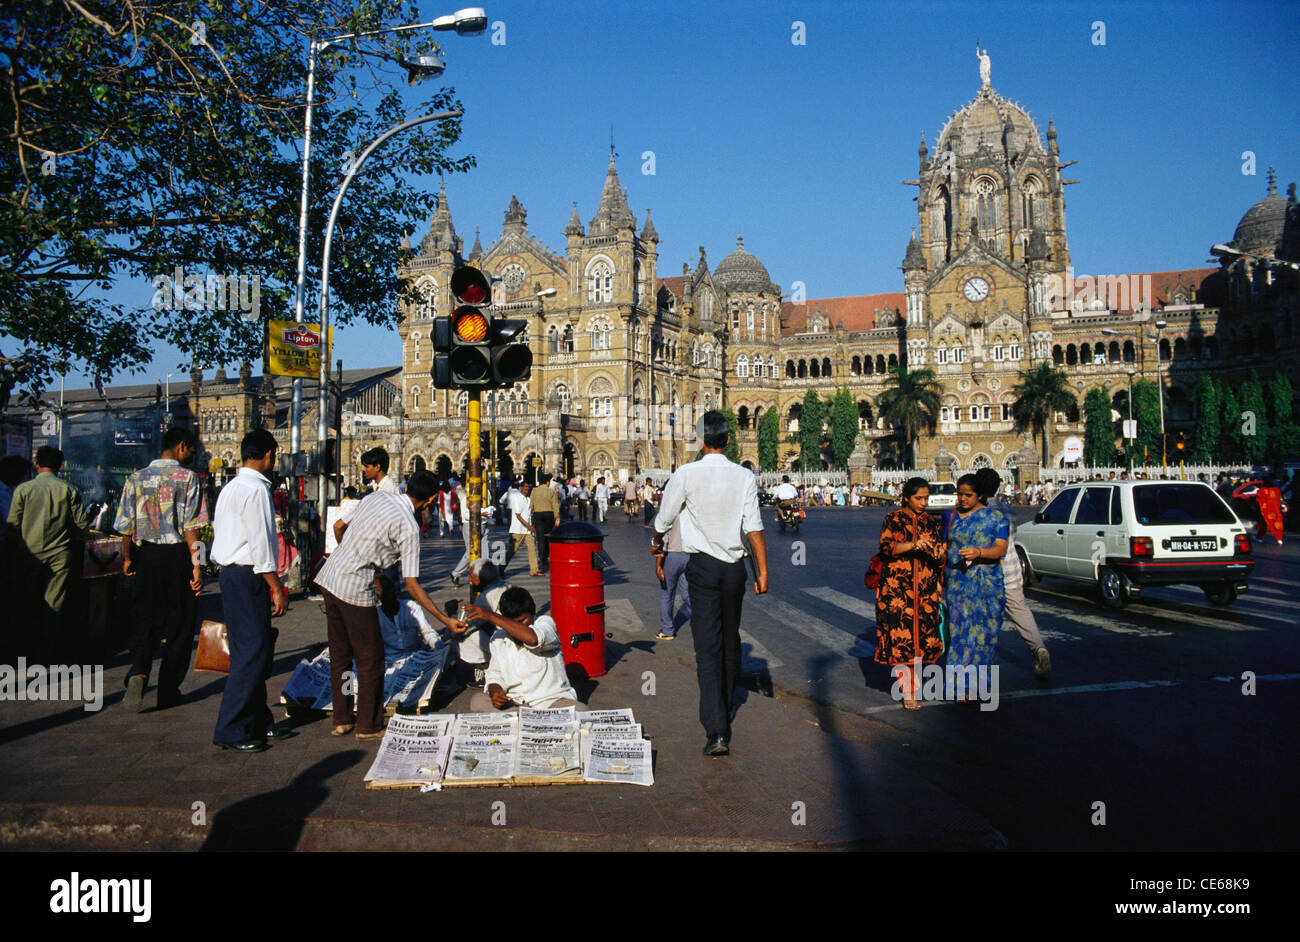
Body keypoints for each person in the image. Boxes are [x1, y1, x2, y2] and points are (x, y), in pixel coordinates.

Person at [652, 410, 767, 757]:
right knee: (731, 638)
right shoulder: (744, 476)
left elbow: (665, 516)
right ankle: (727, 704)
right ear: (728, 440)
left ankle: (717, 730)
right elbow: (754, 528)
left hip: (701, 568)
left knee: (707, 646)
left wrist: (657, 539)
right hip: (735, 569)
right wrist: (763, 571)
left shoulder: (685, 474)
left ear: (700, 440)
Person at [314, 469, 446, 739]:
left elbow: (338, 527)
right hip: (355, 587)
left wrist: (351, 555)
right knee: (370, 659)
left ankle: (341, 718)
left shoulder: (378, 497)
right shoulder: (409, 528)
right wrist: (444, 619)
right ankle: (368, 724)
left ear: (407, 485)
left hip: (329, 576)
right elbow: (412, 585)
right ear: (431, 499)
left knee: (340, 654)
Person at [114, 427, 207, 711]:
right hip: (178, 557)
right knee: (180, 625)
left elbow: (124, 527)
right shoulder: (189, 478)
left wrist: (128, 559)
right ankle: (168, 689)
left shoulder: (135, 477)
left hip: (146, 557)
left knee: (145, 619)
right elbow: (193, 528)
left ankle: (140, 671)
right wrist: (198, 566)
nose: (193, 455)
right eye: (192, 450)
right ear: (181, 446)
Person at [210, 429, 291, 752]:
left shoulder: (231, 487)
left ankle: (258, 721)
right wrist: (276, 588)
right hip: (248, 575)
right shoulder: (256, 491)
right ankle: (230, 728)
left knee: (252, 650)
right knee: (251, 653)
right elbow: (260, 544)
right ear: (269, 455)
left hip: (232, 575)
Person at [6, 445, 89, 660]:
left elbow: (12, 526)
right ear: (60, 466)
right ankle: (45, 653)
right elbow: (82, 526)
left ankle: (21, 650)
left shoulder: (23, 490)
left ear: (36, 464)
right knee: (54, 603)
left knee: (24, 600)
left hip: (27, 555)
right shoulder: (69, 490)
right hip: (59, 556)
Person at [874, 477, 946, 709]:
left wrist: (938, 551)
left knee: (923, 639)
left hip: (925, 589)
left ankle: (913, 684)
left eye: (926, 498)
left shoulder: (931, 522)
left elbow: (940, 558)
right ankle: (909, 692)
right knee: (901, 639)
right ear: (907, 497)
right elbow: (886, 548)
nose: (923, 502)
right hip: (897, 589)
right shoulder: (893, 519)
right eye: (918, 498)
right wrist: (914, 544)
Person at [974, 468, 1051, 678]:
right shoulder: (1007, 509)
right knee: (1020, 612)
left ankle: (982, 666)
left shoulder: (976, 512)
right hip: (1011, 571)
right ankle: (1038, 647)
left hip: (986, 575)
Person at [944, 473, 1008, 699]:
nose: (962, 499)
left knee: (984, 635)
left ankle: (980, 685)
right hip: (957, 583)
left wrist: (979, 552)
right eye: (959, 494)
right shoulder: (950, 516)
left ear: (980, 494)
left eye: (967, 495)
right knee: (960, 633)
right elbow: (943, 546)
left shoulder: (997, 518)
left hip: (987, 585)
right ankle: (960, 687)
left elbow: (1001, 549)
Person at [465, 586, 580, 711]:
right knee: (478, 701)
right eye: (511, 622)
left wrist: (490, 616)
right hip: (516, 703)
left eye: (522, 620)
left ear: (533, 612)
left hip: (551, 702)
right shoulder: (498, 638)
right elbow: (494, 675)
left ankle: (521, 722)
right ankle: (521, 720)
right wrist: (496, 692)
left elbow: (533, 639)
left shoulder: (545, 624)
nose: (516, 627)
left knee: (581, 711)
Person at [449, 558, 511, 687]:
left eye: (471, 576)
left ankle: (484, 667)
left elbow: (465, 628)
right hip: (510, 640)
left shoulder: (486, 597)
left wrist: (451, 615)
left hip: (503, 645)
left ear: (479, 578)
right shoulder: (507, 585)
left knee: (465, 636)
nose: (469, 580)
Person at [655, 515, 691, 641]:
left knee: (667, 593)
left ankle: (667, 630)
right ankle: (701, 621)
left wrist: (658, 564)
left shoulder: (670, 511)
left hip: (672, 555)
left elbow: (662, 541)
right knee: (688, 593)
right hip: (689, 555)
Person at [503, 480, 540, 576]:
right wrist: (529, 526)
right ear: (521, 488)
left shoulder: (528, 499)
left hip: (528, 530)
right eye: (525, 487)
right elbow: (518, 515)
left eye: (528, 487)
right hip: (518, 529)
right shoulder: (517, 498)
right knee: (512, 551)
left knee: (532, 549)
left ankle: (534, 570)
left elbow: (529, 514)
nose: (527, 489)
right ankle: (500, 568)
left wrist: (531, 526)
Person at [530, 472, 559, 571]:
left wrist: (530, 517)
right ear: (547, 482)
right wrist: (557, 517)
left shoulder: (534, 491)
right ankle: (547, 556)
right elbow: (555, 505)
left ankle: (542, 558)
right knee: (548, 536)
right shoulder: (551, 491)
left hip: (538, 515)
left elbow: (531, 505)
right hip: (549, 515)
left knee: (540, 538)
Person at [1255, 478, 1285, 545]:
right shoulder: (1277, 490)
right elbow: (1280, 498)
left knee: (1264, 524)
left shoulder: (1262, 490)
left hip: (1266, 510)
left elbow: (1257, 500)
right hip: (1276, 510)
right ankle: (1279, 539)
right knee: (1278, 524)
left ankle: (1259, 538)